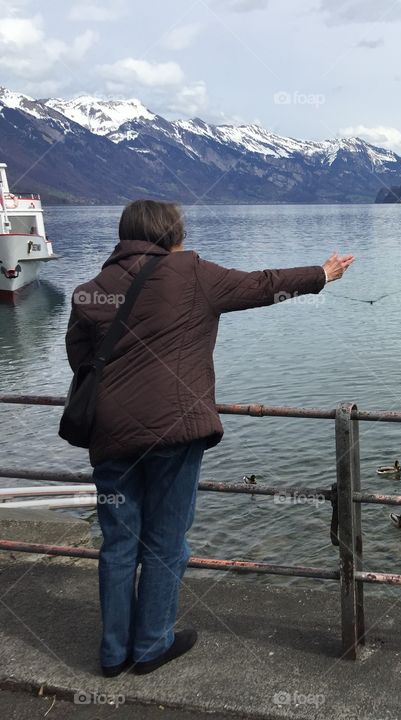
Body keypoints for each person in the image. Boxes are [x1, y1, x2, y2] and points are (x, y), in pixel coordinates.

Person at [65, 200, 354, 677]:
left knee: (118, 543)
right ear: (173, 235)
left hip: (110, 434)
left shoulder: (92, 290)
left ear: (125, 235)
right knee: (166, 541)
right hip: (174, 433)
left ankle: (113, 653)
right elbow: (262, 285)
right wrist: (321, 274)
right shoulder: (192, 273)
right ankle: (151, 645)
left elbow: (81, 361)